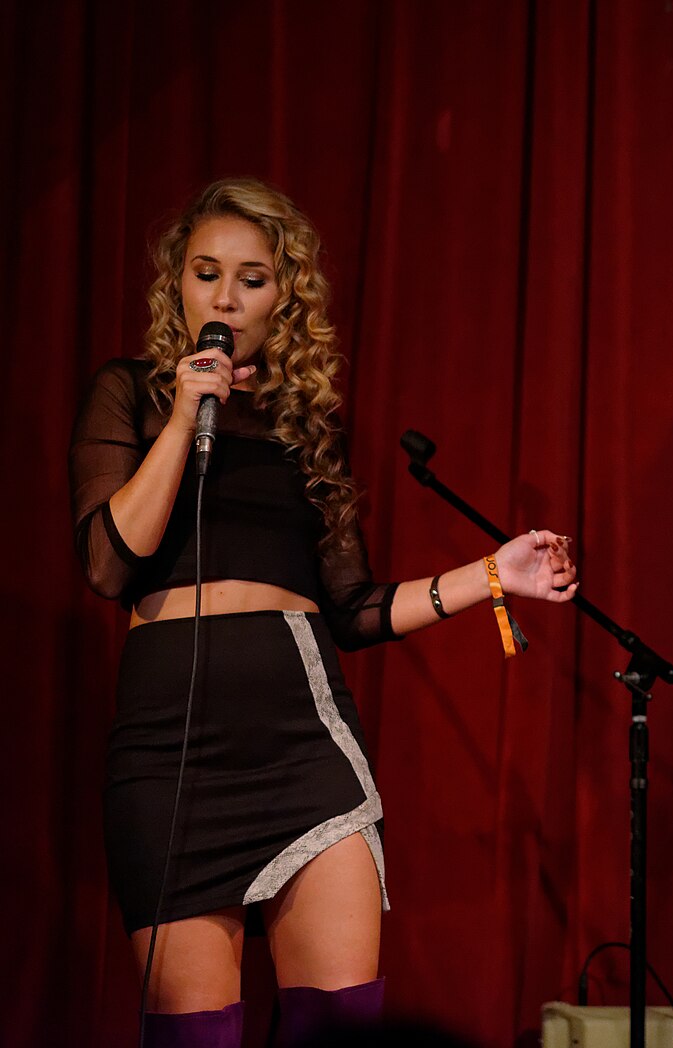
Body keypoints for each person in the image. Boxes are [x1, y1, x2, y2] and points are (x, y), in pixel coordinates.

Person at [69, 178, 579, 1047]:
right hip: (170, 753)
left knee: (338, 1029)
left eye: (252, 277)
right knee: (196, 1037)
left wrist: (493, 572)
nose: (224, 295)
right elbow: (111, 564)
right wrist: (186, 410)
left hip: (304, 743)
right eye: (205, 272)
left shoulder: (309, 425)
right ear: (177, 286)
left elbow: (351, 608)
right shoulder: (130, 392)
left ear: (285, 296)